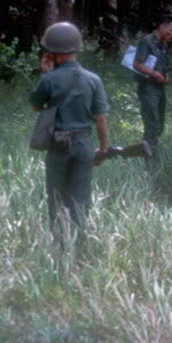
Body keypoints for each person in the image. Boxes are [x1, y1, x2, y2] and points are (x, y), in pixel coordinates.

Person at [29, 22, 110, 247]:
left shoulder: (49, 79)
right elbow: (101, 118)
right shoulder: (93, 79)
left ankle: (59, 245)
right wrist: (103, 148)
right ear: (75, 47)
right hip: (84, 143)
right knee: (81, 199)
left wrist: (45, 73)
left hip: (58, 144)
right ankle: (79, 243)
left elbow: (36, 106)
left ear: (52, 52)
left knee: (55, 197)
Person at [133, 13, 172, 155]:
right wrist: (155, 74)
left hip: (160, 88)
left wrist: (166, 75)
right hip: (148, 88)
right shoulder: (147, 41)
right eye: (171, 31)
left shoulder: (163, 44)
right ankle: (149, 156)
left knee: (159, 124)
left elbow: (163, 65)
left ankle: (149, 149)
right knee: (151, 122)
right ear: (161, 27)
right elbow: (137, 64)